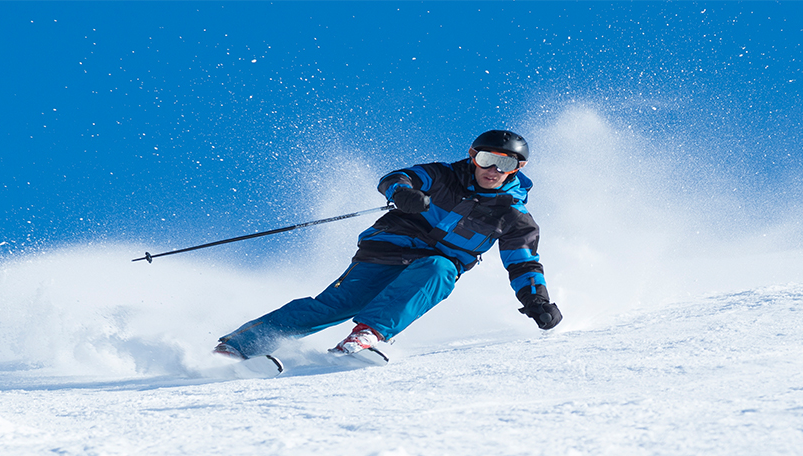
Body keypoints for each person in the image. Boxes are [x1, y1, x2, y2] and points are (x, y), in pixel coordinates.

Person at [212, 130, 562, 363]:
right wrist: (402, 193)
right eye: (487, 159)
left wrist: (536, 301)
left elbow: (524, 262)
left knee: (441, 269)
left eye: (505, 163)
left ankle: (368, 335)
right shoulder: (444, 175)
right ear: (473, 156)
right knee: (336, 304)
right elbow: (397, 178)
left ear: (519, 168)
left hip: (436, 264)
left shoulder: (514, 216)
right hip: (388, 249)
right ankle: (237, 347)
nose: (493, 169)